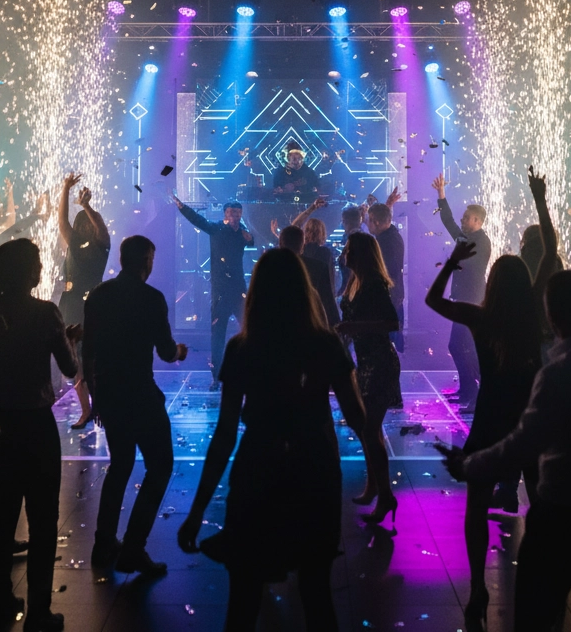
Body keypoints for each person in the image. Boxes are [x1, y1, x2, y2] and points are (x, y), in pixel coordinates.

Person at [177, 248, 382, 632]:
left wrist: (196, 511)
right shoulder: (325, 344)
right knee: (316, 593)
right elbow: (357, 418)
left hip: (259, 467)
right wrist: (378, 477)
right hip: (314, 468)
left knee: (244, 598)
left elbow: (224, 435)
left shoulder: (243, 348)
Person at [441, 270, 571, 632]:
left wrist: (469, 465)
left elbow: (524, 443)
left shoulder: (557, 374)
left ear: (551, 316)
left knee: (535, 615)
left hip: (564, 512)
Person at [425, 166, 555, 627]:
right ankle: (542, 573)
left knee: (477, 505)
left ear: (493, 284)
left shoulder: (482, 318)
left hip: (492, 415)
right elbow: (550, 251)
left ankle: (478, 584)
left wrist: (450, 262)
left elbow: (433, 302)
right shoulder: (534, 312)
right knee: (540, 497)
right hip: (530, 416)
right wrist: (540, 200)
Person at [0, 239, 81, 632]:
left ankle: (0, 601)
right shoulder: (45, 312)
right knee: (43, 518)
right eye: (36, 263)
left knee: (0, 516)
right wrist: (70, 341)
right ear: (26, 271)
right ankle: (39, 611)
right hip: (34, 424)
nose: (41, 268)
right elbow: (69, 368)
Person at [83, 235, 188, 573]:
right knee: (161, 465)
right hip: (140, 393)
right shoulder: (151, 298)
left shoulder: (99, 295)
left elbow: (88, 351)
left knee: (120, 465)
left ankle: (103, 544)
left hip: (110, 393)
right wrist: (180, 352)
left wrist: (95, 398)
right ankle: (132, 548)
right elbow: (166, 351)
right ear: (146, 261)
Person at [337, 230, 400, 522]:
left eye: (350, 249)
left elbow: (392, 323)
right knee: (368, 430)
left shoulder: (374, 283)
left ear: (361, 254)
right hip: (364, 362)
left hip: (380, 362)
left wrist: (354, 328)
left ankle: (385, 495)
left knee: (370, 428)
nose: (345, 253)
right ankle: (375, 486)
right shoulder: (354, 280)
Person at [173, 194, 255, 389]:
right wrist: (182, 207)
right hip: (220, 292)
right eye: (231, 213)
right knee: (217, 335)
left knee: (249, 330)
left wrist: (251, 238)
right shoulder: (216, 229)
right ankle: (216, 376)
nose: (234, 216)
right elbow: (198, 220)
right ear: (225, 214)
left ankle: (250, 370)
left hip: (238, 290)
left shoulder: (242, 233)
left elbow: (252, 242)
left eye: (237, 213)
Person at [432, 174, 492, 408]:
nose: (462, 219)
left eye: (467, 217)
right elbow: (448, 221)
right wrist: (441, 195)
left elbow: (471, 265)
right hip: (464, 299)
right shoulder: (466, 237)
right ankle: (469, 390)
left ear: (477, 221)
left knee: (462, 346)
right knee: (459, 346)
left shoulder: (481, 242)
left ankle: (476, 392)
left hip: (472, 300)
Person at [57, 173, 110, 428]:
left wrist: (82, 203)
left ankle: (95, 407)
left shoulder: (99, 246)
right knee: (79, 360)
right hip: (75, 306)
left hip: (89, 306)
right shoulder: (77, 244)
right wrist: (68, 191)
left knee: (90, 359)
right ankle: (88, 409)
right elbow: (63, 222)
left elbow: (99, 230)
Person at [277, 224, 340, 327]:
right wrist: (335, 325)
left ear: (280, 243)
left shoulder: (268, 268)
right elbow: (327, 301)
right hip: (308, 325)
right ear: (302, 245)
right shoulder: (319, 267)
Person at [367, 197, 405, 351]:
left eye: (369, 220)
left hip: (387, 301)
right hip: (393, 297)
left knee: (386, 347)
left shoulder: (384, 243)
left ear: (376, 222)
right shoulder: (391, 235)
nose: (367, 223)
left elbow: (384, 272)